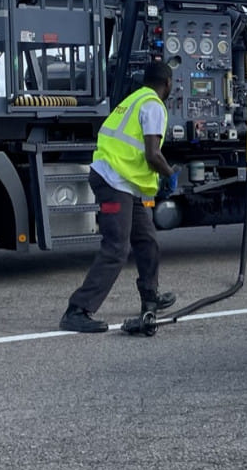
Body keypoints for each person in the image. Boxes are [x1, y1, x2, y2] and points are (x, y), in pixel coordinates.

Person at [60, 63, 179, 332]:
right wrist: (169, 174)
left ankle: (151, 297)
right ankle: (77, 310)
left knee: (147, 241)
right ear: (168, 84)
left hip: (124, 182)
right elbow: (152, 154)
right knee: (116, 248)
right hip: (114, 181)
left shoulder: (133, 99)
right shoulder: (153, 105)